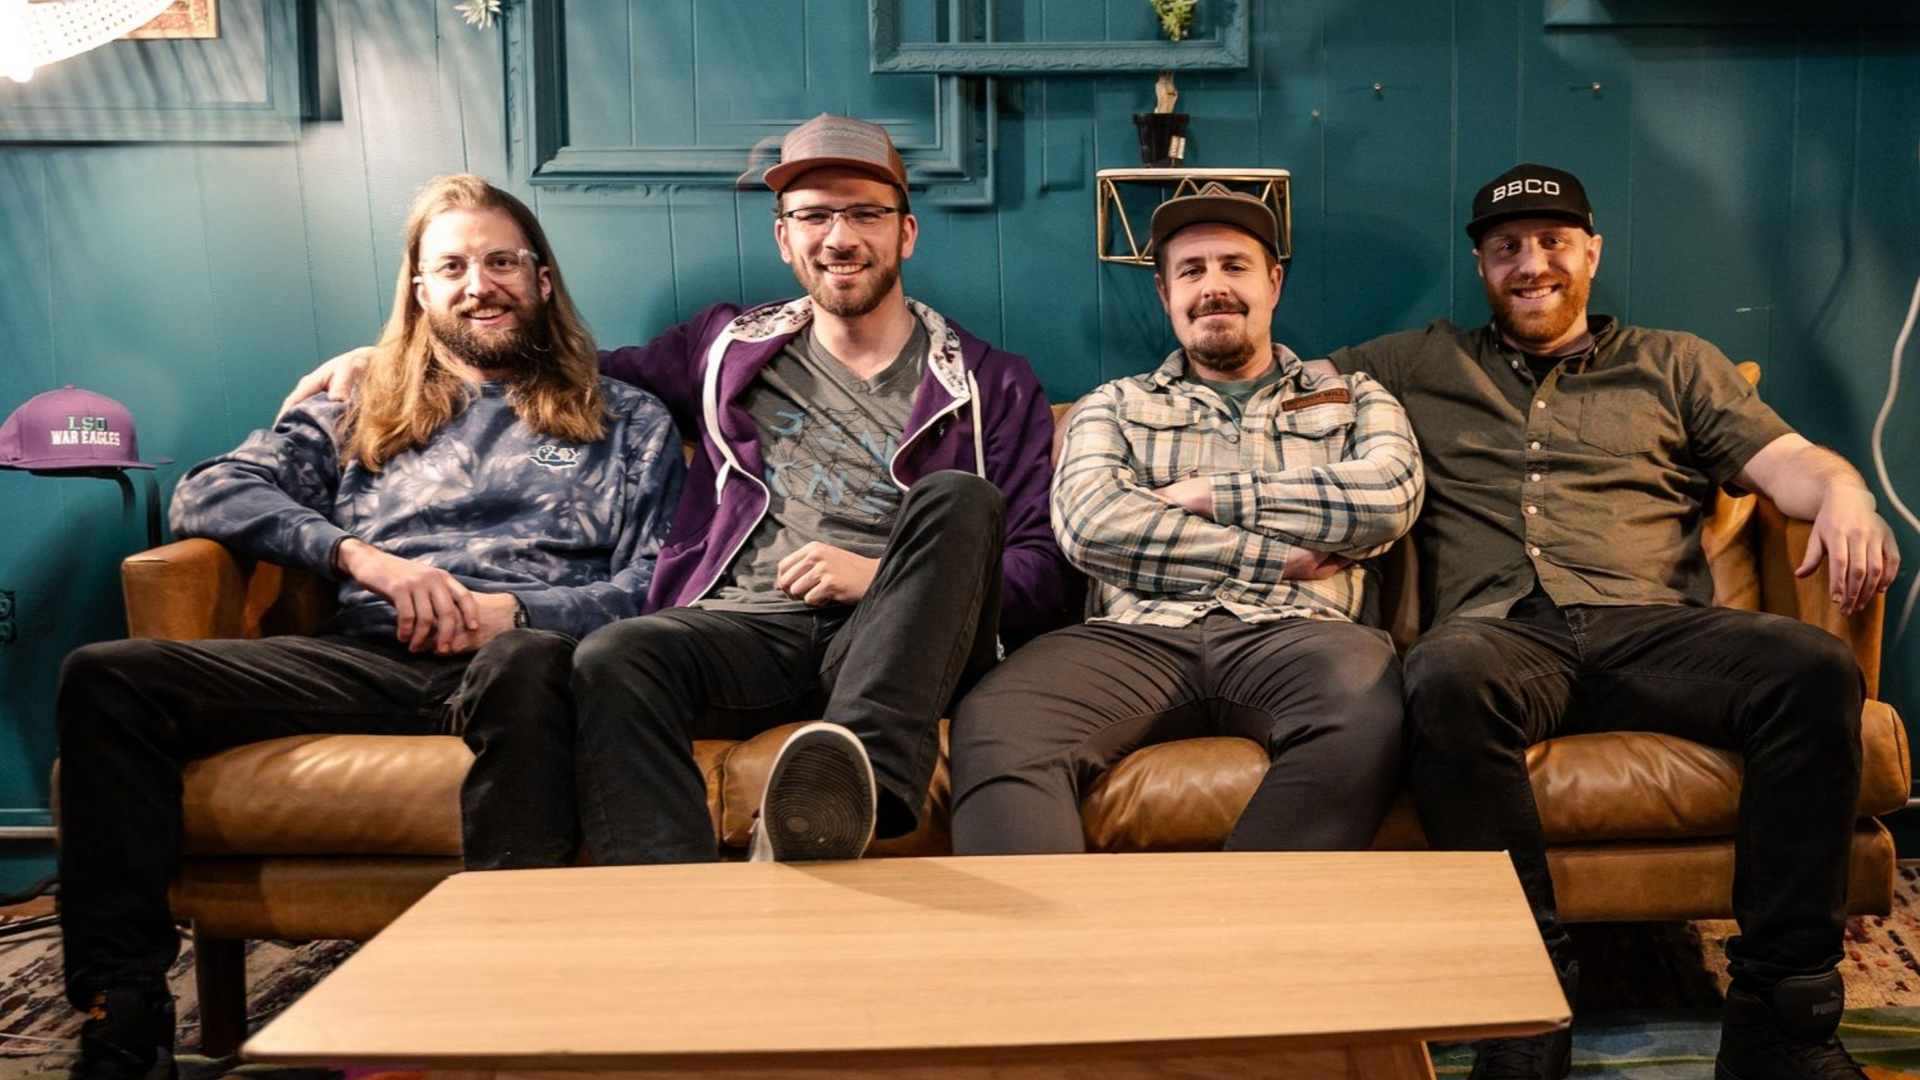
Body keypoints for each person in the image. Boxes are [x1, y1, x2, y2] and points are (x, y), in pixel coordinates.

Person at [289, 115, 1072, 863]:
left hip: (902, 636)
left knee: (958, 500)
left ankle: (848, 788)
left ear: (905, 232)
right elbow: (552, 362)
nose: (839, 237)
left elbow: (1041, 570)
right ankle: (672, 914)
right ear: (785, 238)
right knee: (617, 653)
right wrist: (397, 350)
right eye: (813, 216)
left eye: (865, 214)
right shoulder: (725, 345)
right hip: (749, 628)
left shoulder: (990, 383)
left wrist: (883, 576)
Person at [57, 173, 683, 1080]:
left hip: (527, 664)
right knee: (107, 676)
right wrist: (361, 558)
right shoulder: (362, 403)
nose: (481, 284)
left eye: (503, 261)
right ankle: (125, 1015)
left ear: (543, 279)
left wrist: (514, 612)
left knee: (527, 665)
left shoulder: (625, 419)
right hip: (370, 658)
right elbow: (208, 491)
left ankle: (501, 1000)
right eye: (454, 266)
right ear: (420, 290)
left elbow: (653, 586)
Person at [1318, 163, 1902, 1080]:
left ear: (1592, 252)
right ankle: (1523, 1012)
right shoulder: (1415, 363)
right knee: (1441, 673)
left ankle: (1782, 1025)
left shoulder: (1676, 363)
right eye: (1507, 247)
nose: (1532, 264)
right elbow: (1275, 394)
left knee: (1815, 670)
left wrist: (1847, 495)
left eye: (1554, 242)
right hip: (1501, 635)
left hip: (1655, 628)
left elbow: (1790, 464)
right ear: (1482, 266)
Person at [948, 183, 1423, 856]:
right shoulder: (1115, 404)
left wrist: (1208, 494)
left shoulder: (1351, 396)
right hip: (1133, 638)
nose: (1214, 287)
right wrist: (1277, 556)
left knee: (1364, 711)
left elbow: (1388, 497)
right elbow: (1089, 523)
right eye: (1191, 271)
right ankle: (1044, 957)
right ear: (1165, 295)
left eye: (1234, 266)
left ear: (1274, 282)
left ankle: (1238, 941)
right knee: (999, 717)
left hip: (1302, 635)